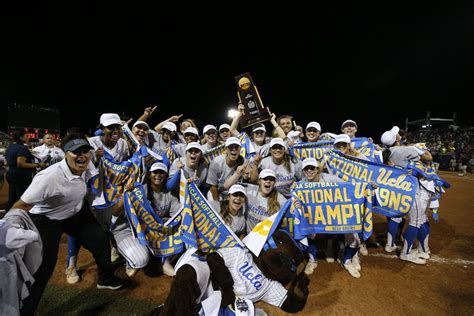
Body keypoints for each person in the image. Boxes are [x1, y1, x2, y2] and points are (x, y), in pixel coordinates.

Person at [11, 134, 126, 315]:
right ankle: (24, 311)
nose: (82, 156)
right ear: (65, 154)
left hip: (75, 212)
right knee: (43, 269)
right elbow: (21, 205)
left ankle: (105, 279)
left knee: (100, 239)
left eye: (85, 151)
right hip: (46, 220)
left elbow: (97, 157)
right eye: (75, 152)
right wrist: (6, 229)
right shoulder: (48, 177)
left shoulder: (87, 162)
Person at [298, 158, 345, 274]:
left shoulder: (329, 178)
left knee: (339, 221)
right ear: (303, 171)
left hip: (330, 213)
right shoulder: (300, 185)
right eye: (306, 169)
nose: (309, 171)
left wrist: (367, 186)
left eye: (312, 168)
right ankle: (312, 260)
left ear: (318, 169)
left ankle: (332, 248)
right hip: (313, 216)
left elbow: (349, 187)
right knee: (306, 228)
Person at [5, 130, 46, 211]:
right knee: (23, 199)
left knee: (12, 197)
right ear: (21, 137)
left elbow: (7, 162)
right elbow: (20, 163)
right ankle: (20, 218)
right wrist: (38, 165)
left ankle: (8, 216)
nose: (28, 138)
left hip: (11, 174)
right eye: (26, 136)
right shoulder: (22, 148)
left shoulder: (11, 146)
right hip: (21, 176)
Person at [207, 137, 246, 201]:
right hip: (218, 192)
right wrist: (218, 203)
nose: (234, 149)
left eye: (236, 147)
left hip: (234, 194)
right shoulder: (216, 162)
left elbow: (252, 180)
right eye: (230, 147)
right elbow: (213, 186)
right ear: (226, 149)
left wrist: (255, 164)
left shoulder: (244, 162)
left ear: (240, 149)